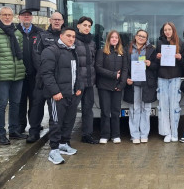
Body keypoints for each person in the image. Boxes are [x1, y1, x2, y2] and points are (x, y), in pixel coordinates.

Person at [41, 27, 87, 165]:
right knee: (56, 122)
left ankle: (63, 143)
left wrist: (79, 87)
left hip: (71, 94)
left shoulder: (73, 51)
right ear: (61, 36)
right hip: (58, 95)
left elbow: (77, 72)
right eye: (68, 36)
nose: (71, 38)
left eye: (73, 36)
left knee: (69, 121)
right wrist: (55, 92)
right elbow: (46, 74)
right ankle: (53, 150)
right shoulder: (51, 51)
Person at [0, 6, 26, 145]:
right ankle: (1, 134)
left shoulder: (17, 32)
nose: (7, 17)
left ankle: (14, 130)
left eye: (9, 14)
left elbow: (20, 51)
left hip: (18, 74)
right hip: (2, 75)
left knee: (16, 103)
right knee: (1, 104)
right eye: (4, 14)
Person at [26, 12, 64, 143]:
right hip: (42, 79)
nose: (57, 22)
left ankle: (57, 134)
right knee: (37, 105)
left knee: (56, 109)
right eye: (55, 19)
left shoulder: (64, 36)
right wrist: (46, 73)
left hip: (58, 80)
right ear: (50, 20)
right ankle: (34, 131)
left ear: (63, 21)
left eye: (59, 20)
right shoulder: (41, 36)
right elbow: (36, 57)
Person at [123, 30, 158, 144]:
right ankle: (134, 135)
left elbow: (157, 66)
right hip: (133, 84)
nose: (141, 38)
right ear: (135, 36)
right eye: (140, 36)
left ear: (147, 39)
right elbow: (124, 66)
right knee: (134, 109)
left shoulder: (152, 49)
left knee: (146, 109)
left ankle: (144, 134)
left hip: (147, 84)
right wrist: (126, 78)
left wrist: (150, 64)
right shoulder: (127, 49)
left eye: (144, 37)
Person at [95, 30, 128, 144]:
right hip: (104, 86)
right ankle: (104, 135)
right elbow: (98, 68)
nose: (114, 39)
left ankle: (115, 135)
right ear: (108, 39)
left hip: (117, 87)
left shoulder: (122, 52)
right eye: (112, 37)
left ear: (119, 40)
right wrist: (114, 75)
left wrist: (121, 84)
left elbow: (125, 70)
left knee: (115, 111)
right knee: (105, 111)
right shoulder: (101, 52)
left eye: (116, 38)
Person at [155, 22, 184, 143]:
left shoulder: (180, 43)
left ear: (173, 30)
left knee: (175, 106)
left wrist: (180, 58)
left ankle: (174, 133)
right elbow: (154, 63)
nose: (167, 32)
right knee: (163, 106)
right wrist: (157, 57)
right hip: (162, 77)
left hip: (175, 77)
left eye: (169, 29)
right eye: (165, 30)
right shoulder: (159, 43)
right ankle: (166, 133)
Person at [16, 9, 43, 135]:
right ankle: (21, 125)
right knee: (20, 101)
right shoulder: (14, 31)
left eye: (28, 16)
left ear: (31, 18)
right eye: (23, 16)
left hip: (35, 74)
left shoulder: (39, 32)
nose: (26, 17)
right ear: (19, 17)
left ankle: (34, 124)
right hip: (20, 73)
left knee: (35, 101)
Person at [75, 16, 98, 144]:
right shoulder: (73, 41)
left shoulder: (92, 43)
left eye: (89, 26)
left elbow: (93, 63)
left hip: (89, 82)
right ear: (78, 26)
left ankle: (87, 135)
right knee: (71, 111)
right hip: (77, 83)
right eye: (84, 25)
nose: (87, 28)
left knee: (88, 110)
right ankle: (64, 138)